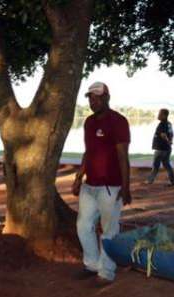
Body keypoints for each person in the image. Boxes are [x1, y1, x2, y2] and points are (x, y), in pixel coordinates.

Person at [72, 81, 132, 286]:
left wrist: (126, 187)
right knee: (83, 225)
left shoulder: (119, 121)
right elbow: (88, 152)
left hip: (111, 188)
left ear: (107, 97)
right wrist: (79, 177)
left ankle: (106, 272)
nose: (93, 101)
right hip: (90, 187)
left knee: (109, 231)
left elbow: (123, 156)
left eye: (97, 97)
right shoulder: (89, 122)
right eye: (90, 98)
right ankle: (91, 264)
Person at [146, 109, 174, 186]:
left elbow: (163, 135)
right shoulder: (169, 124)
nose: (158, 115)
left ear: (164, 115)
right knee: (167, 165)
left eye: (160, 114)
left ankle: (150, 181)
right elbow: (172, 134)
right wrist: (170, 142)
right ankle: (173, 181)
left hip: (161, 149)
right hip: (167, 148)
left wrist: (168, 141)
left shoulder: (162, 124)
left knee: (156, 166)